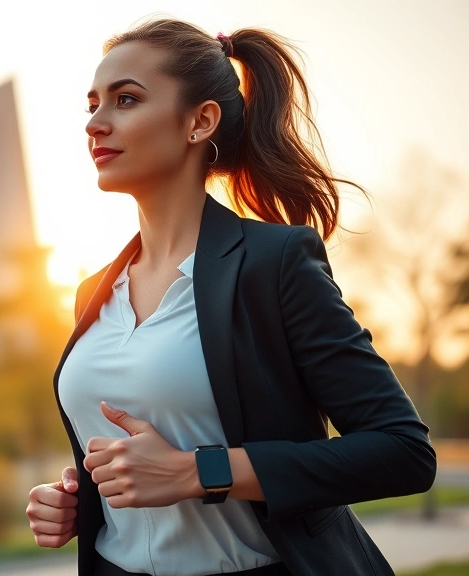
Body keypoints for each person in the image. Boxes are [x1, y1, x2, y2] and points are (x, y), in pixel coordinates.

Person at [24, 18, 436, 576]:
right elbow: (134, 460)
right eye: (92, 104)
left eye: (126, 100)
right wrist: (80, 503)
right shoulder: (91, 292)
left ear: (200, 121)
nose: (95, 123)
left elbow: (403, 452)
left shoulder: (274, 263)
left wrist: (201, 472)